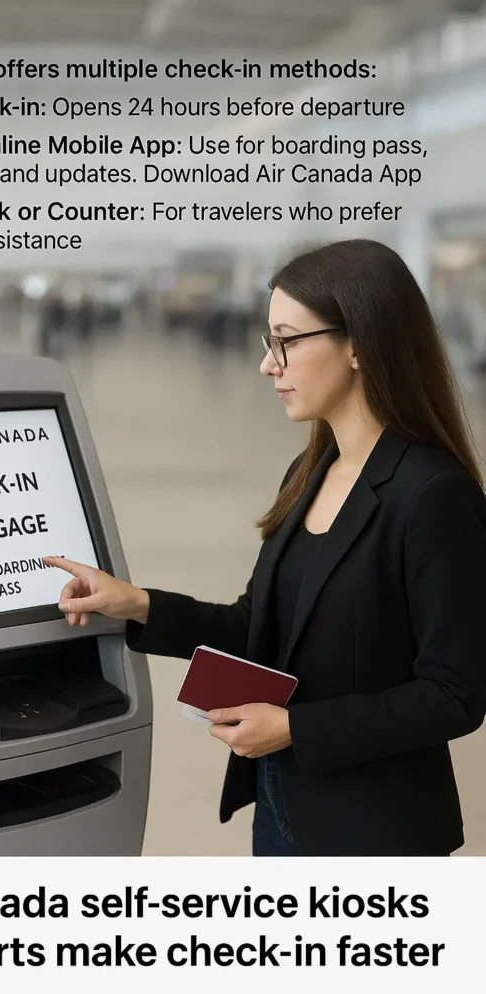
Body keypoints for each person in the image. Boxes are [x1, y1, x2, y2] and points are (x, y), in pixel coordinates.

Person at [43, 238, 486, 857]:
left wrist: (296, 728)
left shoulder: (432, 494)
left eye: (286, 341)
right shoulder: (309, 474)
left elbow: (455, 694)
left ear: (358, 342)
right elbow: (258, 627)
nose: (268, 365)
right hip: (283, 804)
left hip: (376, 832)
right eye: (267, 343)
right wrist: (140, 605)